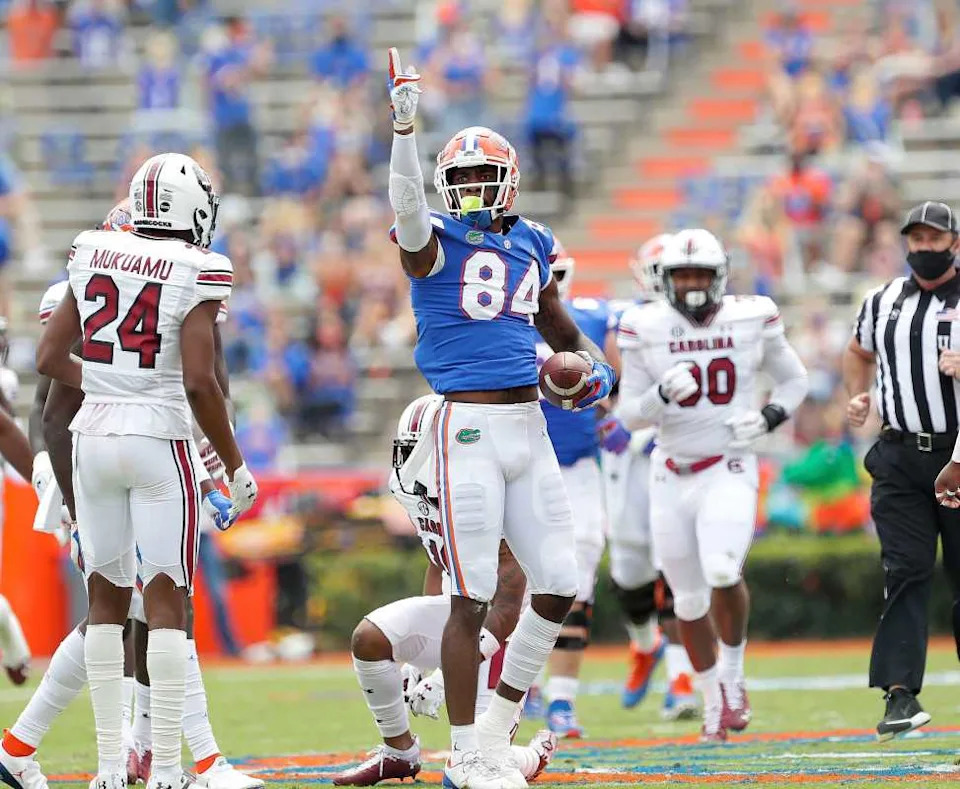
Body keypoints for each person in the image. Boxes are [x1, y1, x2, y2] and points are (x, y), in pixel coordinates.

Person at [386, 48, 614, 789]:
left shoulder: (532, 242)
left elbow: (561, 328)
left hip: (530, 427)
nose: (476, 190)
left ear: (509, 180)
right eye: (463, 181)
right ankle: (467, 753)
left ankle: (493, 730)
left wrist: (595, 367)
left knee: (557, 579)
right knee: (472, 594)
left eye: (485, 177)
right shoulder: (431, 243)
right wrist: (406, 129)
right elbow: (407, 207)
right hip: (470, 431)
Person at [8, 200, 261, 789]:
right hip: (84, 461)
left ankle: (119, 755)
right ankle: (187, 762)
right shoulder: (151, 273)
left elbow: (195, 385)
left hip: (109, 453)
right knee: (155, 605)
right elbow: (50, 413)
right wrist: (69, 505)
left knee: (131, 608)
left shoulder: (106, 267)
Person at [616, 228, 808, 741]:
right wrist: (658, 396)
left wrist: (767, 418)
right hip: (670, 471)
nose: (694, 284)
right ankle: (709, 703)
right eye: (684, 274)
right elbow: (628, 415)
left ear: (721, 275)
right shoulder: (643, 325)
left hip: (730, 463)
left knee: (724, 569)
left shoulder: (751, 316)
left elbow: (795, 381)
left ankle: (734, 677)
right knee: (687, 602)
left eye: (702, 273)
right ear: (665, 279)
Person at [332, 395, 556, 786]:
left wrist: (443, 673)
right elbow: (438, 560)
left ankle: (530, 756)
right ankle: (398, 752)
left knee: (476, 762)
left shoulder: (485, 491)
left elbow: (509, 601)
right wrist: (419, 665)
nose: (404, 459)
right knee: (370, 638)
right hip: (460, 620)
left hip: (498, 637)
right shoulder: (415, 489)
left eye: (412, 448)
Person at [846, 201, 960, 741]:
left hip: (959, 452)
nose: (925, 248)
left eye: (935, 239)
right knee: (905, 570)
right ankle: (899, 694)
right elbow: (856, 350)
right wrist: (857, 396)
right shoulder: (882, 300)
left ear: (954, 244)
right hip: (898, 456)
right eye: (916, 238)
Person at [604, 234, 698, 721]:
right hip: (632, 454)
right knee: (629, 568)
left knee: (677, 564)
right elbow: (607, 384)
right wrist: (615, 421)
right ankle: (645, 645)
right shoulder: (625, 321)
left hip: (681, 451)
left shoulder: (709, 322)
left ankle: (683, 681)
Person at [531, 246, 617, 738]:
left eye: (557, 275)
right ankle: (520, 687)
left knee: (579, 570)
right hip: (526, 461)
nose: (552, 287)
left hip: (580, 463)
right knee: (517, 579)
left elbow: (617, 381)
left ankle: (562, 698)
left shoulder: (592, 320)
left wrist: (611, 409)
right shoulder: (505, 323)